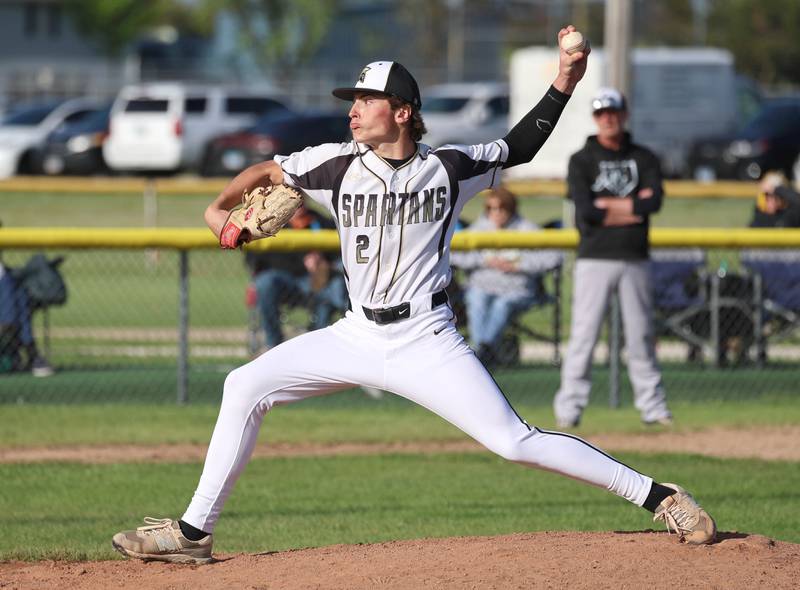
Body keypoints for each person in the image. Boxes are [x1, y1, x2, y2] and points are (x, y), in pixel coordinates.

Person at [112, 27, 715, 565]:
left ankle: (659, 496)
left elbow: (519, 146)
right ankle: (194, 533)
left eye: (365, 100)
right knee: (243, 385)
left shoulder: (450, 167)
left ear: (402, 111)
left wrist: (564, 80)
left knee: (513, 441)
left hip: (427, 338)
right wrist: (218, 208)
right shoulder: (334, 165)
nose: (353, 110)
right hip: (354, 334)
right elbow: (270, 171)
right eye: (352, 101)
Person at [553, 87, 673, 429]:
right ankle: (569, 410)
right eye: (601, 113)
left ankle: (654, 408)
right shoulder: (582, 159)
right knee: (584, 336)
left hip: (634, 256)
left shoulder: (644, 156)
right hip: (594, 256)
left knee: (641, 336)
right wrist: (631, 207)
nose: (608, 118)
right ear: (595, 118)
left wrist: (610, 206)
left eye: (613, 112)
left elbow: (653, 205)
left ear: (624, 114)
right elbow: (587, 211)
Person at [451, 185, 562, 365]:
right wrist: (484, 261)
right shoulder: (479, 228)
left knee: (502, 305)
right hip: (482, 285)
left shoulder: (527, 229)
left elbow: (554, 257)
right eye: (491, 209)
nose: (496, 213)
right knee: (477, 299)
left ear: (511, 209)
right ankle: (483, 351)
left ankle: (481, 353)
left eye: (501, 208)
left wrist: (519, 265)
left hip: (517, 289)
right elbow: (454, 255)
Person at [245, 199, 348, 349]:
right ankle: (274, 346)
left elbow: (340, 254)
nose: (298, 205)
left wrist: (321, 261)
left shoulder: (321, 222)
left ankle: (323, 346)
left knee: (337, 286)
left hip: (318, 283)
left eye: (300, 200)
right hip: (286, 283)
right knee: (264, 282)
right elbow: (256, 259)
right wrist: (302, 260)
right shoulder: (271, 224)